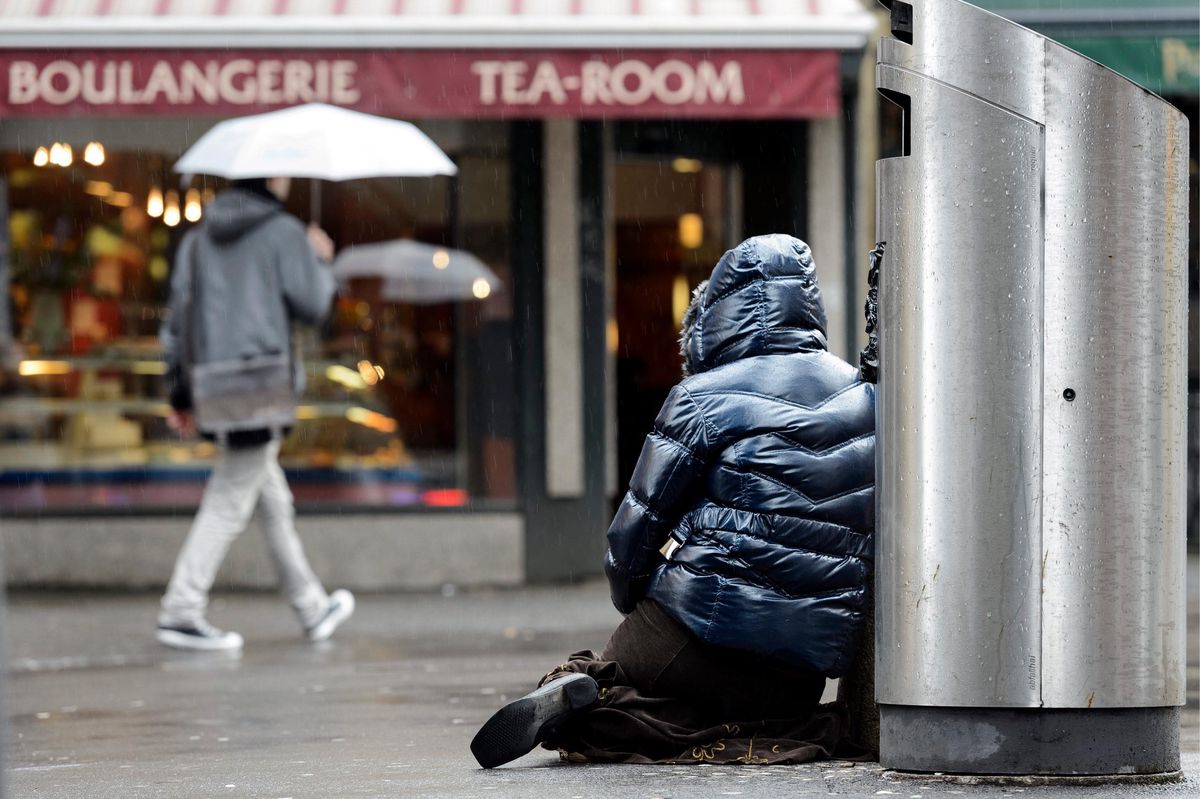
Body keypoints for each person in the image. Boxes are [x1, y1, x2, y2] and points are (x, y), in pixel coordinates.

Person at [471, 234, 875, 767]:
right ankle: (727, 728)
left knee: (611, 671)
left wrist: (637, 603)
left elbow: (632, 535)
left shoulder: (702, 396)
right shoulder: (866, 395)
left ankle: (591, 695)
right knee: (752, 714)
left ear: (720, 313)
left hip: (697, 635)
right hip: (802, 666)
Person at [156, 176, 354, 651]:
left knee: (271, 501)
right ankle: (180, 610)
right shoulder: (284, 232)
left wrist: (182, 394)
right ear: (270, 177)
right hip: (260, 388)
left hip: (215, 388)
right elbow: (313, 306)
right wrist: (320, 260)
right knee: (228, 501)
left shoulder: (199, 238)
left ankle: (311, 606)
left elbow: (178, 321)